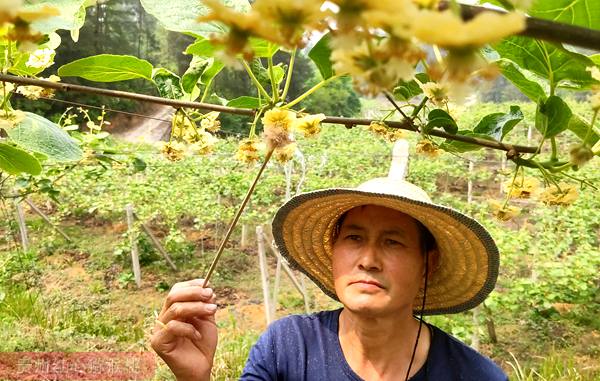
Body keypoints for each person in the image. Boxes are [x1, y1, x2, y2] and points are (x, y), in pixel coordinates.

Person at [151, 175, 508, 381]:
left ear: (427, 264)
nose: (368, 260)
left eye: (393, 242)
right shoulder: (288, 348)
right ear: (334, 250)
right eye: (353, 238)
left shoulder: (475, 377)